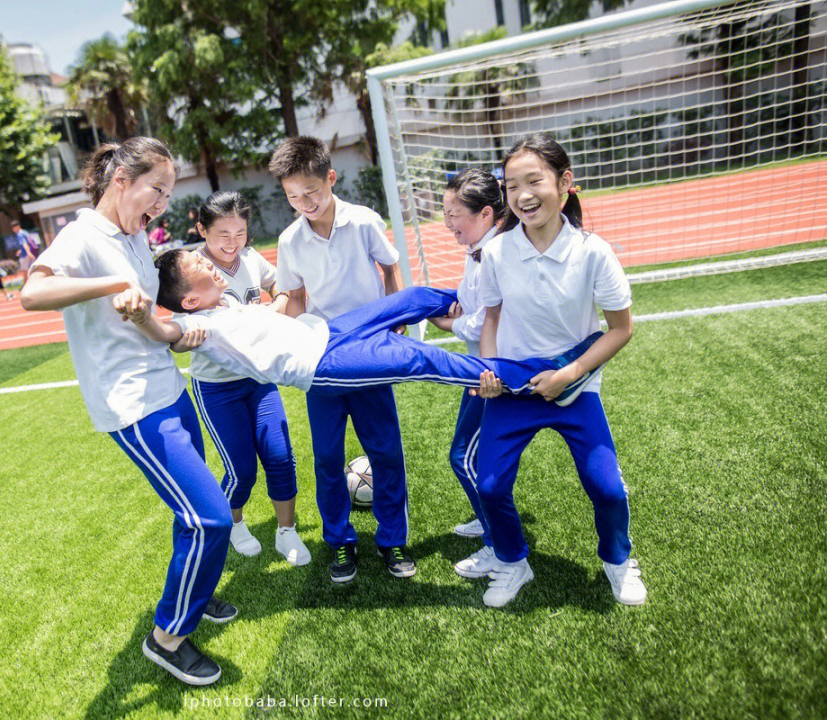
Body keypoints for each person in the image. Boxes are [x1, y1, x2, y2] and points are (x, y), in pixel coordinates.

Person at [20, 137, 237, 687]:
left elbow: (148, 306)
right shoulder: (83, 234)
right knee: (208, 516)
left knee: (195, 506)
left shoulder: (135, 233)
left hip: (167, 385)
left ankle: (196, 593)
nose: (161, 202)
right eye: (155, 189)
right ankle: (166, 637)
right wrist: (113, 285)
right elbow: (31, 293)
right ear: (121, 179)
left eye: (168, 192)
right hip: (132, 406)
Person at [118, 251, 599, 423]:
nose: (207, 263)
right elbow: (169, 336)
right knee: (422, 358)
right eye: (198, 267)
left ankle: (490, 296)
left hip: (328, 331)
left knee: (409, 299)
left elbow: (274, 313)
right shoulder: (200, 326)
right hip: (323, 365)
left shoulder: (225, 303)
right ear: (189, 301)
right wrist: (144, 317)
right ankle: (547, 372)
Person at [473, 133, 646, 608]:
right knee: (489, 485)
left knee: (607, 488)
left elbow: (621, 329)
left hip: (574, 388)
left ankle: (617, 560)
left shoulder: (594, 252)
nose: (523, 195)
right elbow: (491, 318)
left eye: (534, 181)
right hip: (514, 390)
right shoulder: (498, 253)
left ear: (565, 183)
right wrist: (488, 371)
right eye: (511, 186)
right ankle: (513, 562)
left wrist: (569, 375)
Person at [269, 135, 411, 583]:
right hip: (323, 356)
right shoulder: (290, 239)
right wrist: (278, 333)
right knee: (328, 458)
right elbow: (292, 297)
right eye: (293, 196)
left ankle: (393, 540)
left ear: (330, 178)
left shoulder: (364, 221)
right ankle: (341, 542)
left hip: (369, 350)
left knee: (385, 450)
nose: (303, 202)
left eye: (310, 191)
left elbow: (389, 267)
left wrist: (397, 314)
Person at [188, 191, 309, 566]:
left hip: (258, 378)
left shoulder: (252, 259)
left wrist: (273, 308)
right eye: (222, 233)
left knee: (279, 454)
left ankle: (286, 532)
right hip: (217, 386)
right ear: (201, 230)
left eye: (239, 232)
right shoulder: (194, 269)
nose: (232, 242)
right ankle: (234, 524)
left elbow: (283, 289)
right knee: (240, 469)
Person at [426, 169, 507, 579]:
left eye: (453, 213)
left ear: (486, 213)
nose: (447, 224)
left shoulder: (494, 253)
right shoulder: (477, 249)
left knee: (466, 457)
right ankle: (488, 516)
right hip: (480, 367)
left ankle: (499, 544)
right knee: (471, 456)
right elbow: (468, 303)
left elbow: (482, 322)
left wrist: (446, 323)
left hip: (494, 374)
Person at [8, 220, 37, 286]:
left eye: (14, 227)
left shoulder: (19, 234)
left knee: (24, 271)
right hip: (30, 252)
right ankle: (33, 283)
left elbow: (24, 243)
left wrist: (28, 252)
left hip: (25, 255)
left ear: (18, 226)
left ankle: (26, 285)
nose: (13, 229)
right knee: (31, 270)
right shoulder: (24, 232)